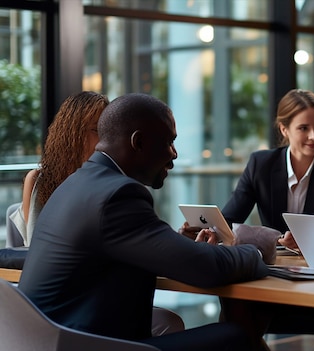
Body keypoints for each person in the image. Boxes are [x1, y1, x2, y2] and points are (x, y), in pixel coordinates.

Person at [18, 93, 271, 351]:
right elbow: (206, 268)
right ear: (138, 142)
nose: (174, 154)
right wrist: (255, 252)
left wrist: (177, 242)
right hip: (86, 343)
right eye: (169, 142)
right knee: (236, 336)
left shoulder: (78, 183)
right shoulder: (117, 195)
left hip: (51, 340)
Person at [218, 89, 314, 351]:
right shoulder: (260, 164)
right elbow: (229, 218)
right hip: (273, 273)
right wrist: (205, 227)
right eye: (303, 128)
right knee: (234, 301)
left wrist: (308, 240)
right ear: (284, 129)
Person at [10, 91, 109, 247]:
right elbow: (36, 245)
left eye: (106, 130)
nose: (104, 138)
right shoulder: (39, 180)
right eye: (96, 130)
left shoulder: (109, 179)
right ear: (73, 133)